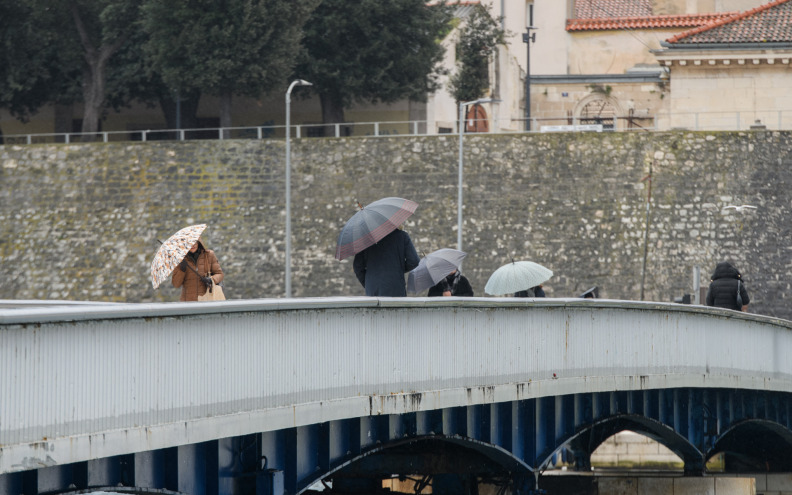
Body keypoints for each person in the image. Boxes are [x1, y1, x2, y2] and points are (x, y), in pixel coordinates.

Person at [353, 227, 419, 297]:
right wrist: (398, 269)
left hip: (373, 287)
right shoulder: (402, 236)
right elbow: (414, 261)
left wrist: (367, 282)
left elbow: (357, 267)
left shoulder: (366, 240)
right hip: (395, 286)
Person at [172, 237, 224, 301]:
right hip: (188, 303)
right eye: (189, 243)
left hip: (207, 299)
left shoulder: (209, 255)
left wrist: (211, 279)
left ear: (198, 242)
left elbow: (220, 274)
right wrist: (182, 270)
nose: (192, 245)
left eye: (194, 242)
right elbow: (176, 284)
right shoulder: (180, 259)